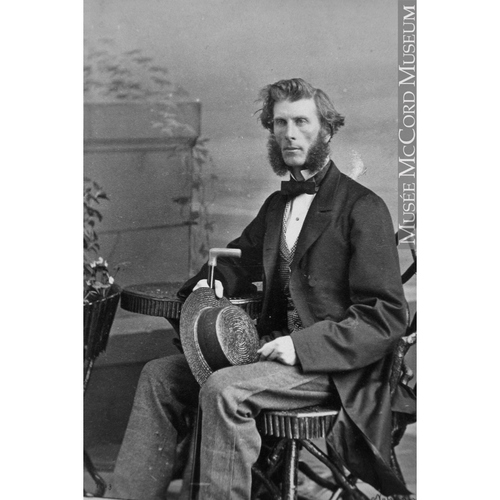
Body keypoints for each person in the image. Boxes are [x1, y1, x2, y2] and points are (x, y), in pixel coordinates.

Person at [111, 78, 412, 500]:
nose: (289, 134)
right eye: (280, 123)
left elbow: (385, 317)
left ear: (326, 130)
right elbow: (237, 259)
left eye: (302, 122)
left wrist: (301, 346)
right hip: (272, 350)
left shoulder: (363, 208)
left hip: (335, 367)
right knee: (159, 376)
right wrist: (209, 282)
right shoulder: (277, 206)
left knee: (225, 390)